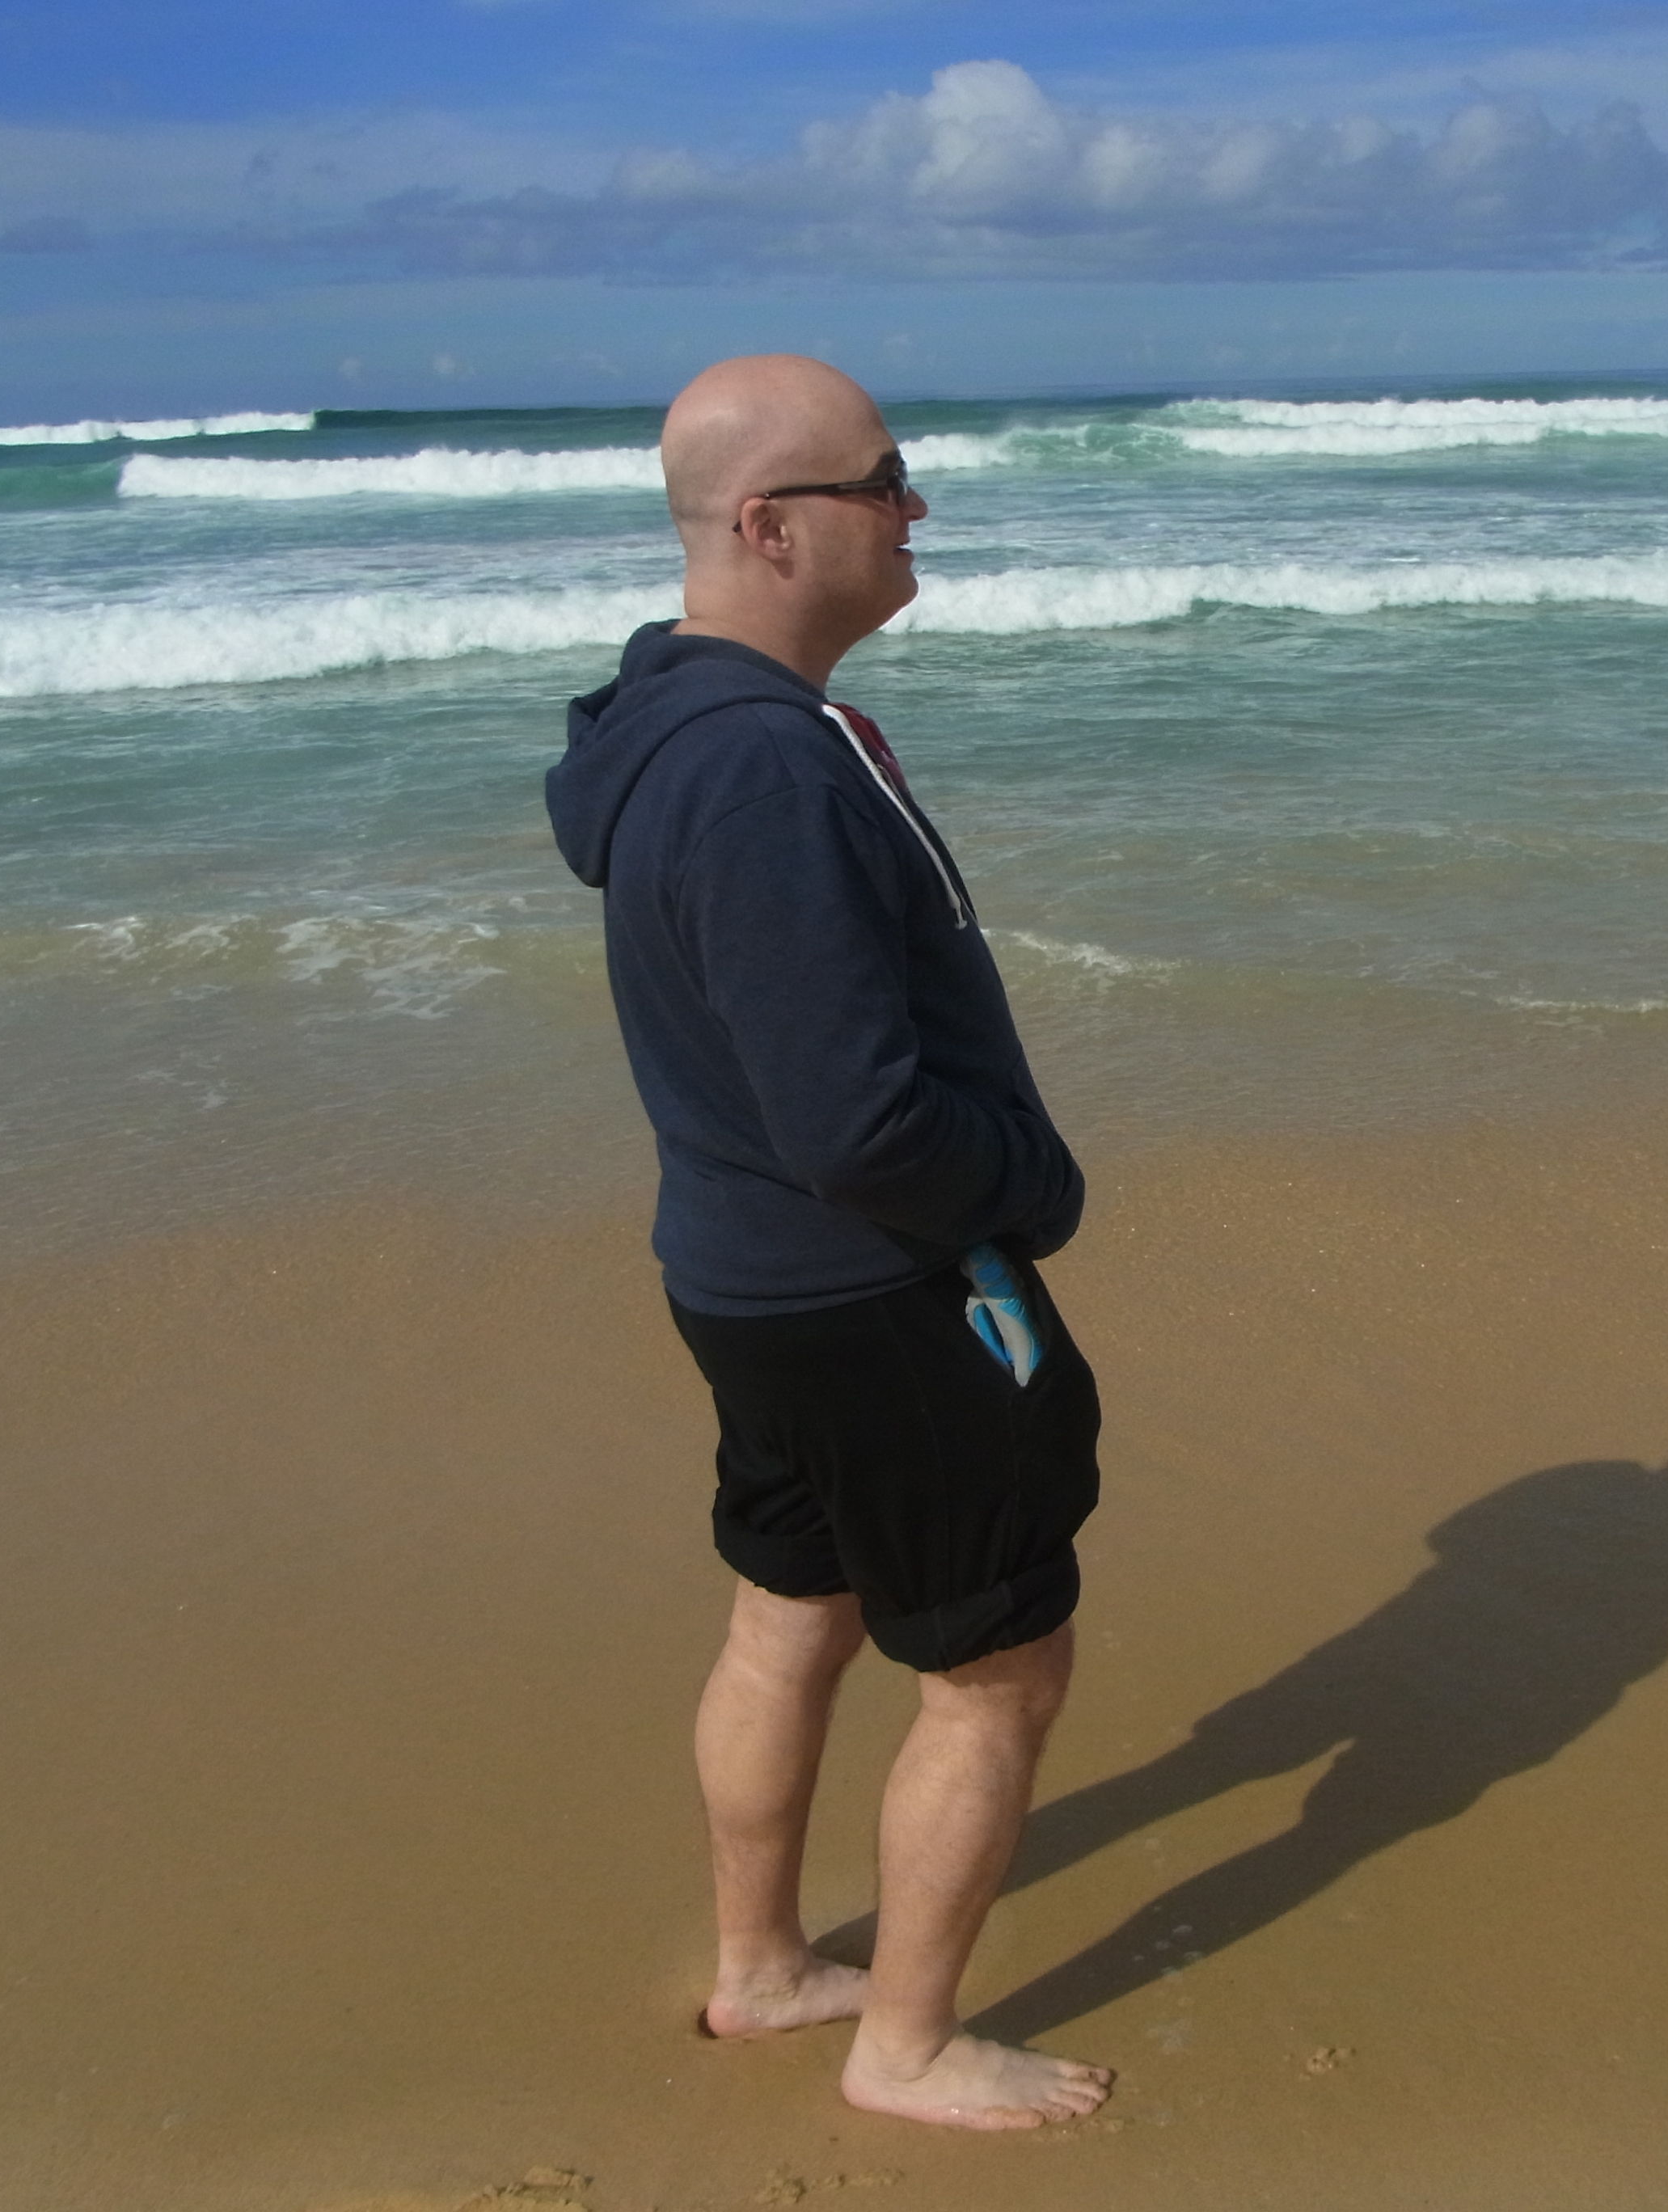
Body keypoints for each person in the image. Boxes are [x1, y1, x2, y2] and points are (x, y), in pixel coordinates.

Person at [544, 355, 1113, 2130]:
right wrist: (1030, 1188)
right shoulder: (758, 769)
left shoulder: (680, 724)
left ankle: (767, 1967)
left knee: (790, 1615)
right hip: (875, 1293)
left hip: (746, 1278)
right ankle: (909, 2045)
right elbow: (858, 1124)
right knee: (998, 1670)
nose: (913, 506)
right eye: (882, 479)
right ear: (771, 525)